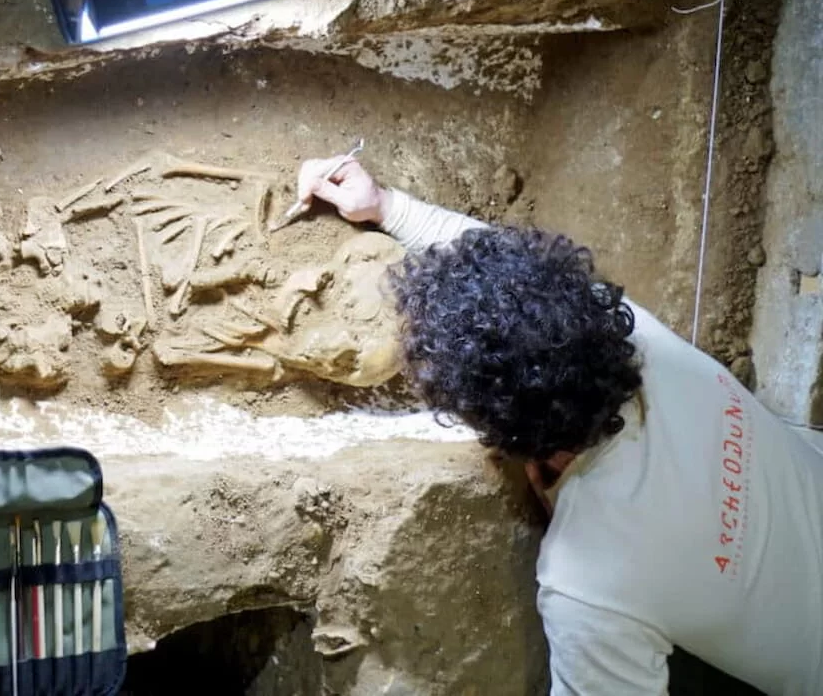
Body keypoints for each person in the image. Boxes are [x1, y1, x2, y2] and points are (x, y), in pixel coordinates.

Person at [296, 155, 823, 696]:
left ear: (499, 435)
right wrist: (385, 206)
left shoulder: (589, 582)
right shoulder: (635, 336)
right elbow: (501, 272)